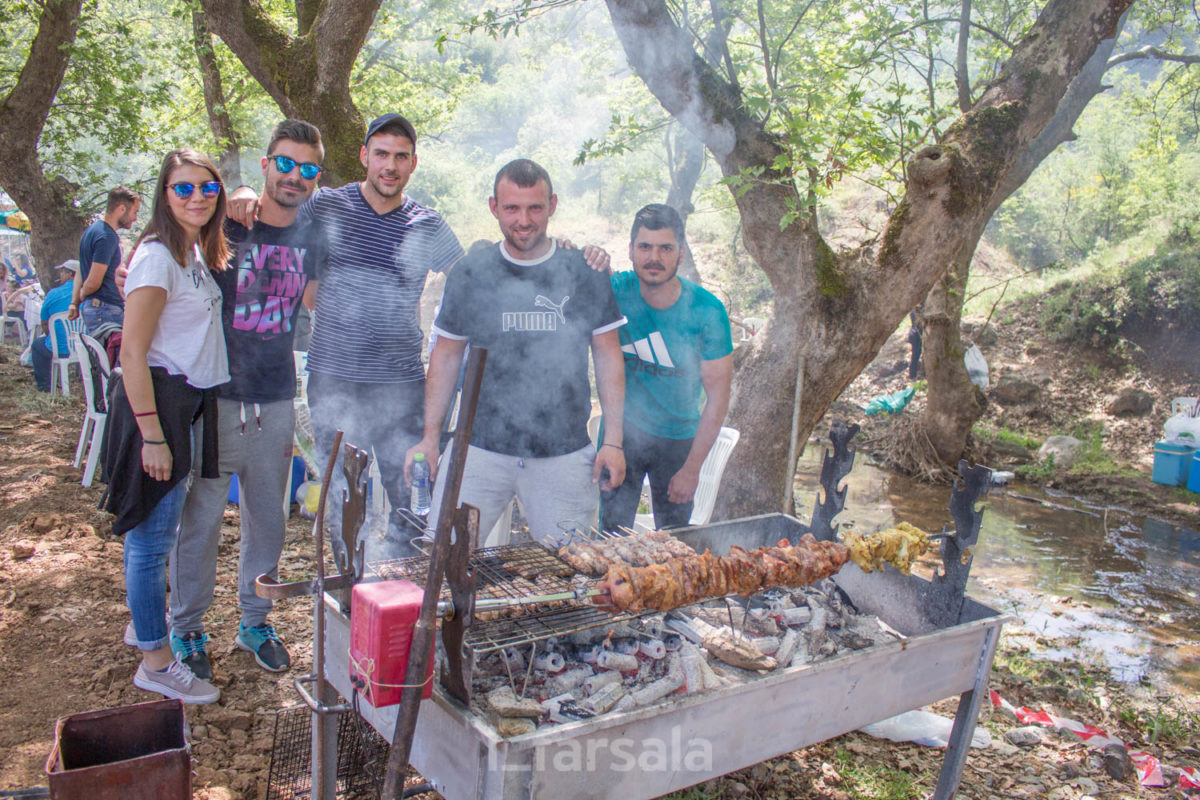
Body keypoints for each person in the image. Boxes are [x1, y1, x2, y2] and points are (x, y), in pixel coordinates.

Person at [230, 113, 463, 556]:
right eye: (381, 155)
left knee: (411, 495)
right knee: (341, 495)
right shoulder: (327, 205)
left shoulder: (428, 224)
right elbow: (276, 214)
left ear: (413, 164)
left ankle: (402, 588)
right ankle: (345, 590)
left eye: (400, 157)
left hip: (403, 386)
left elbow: (472, 280)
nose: (389, 166)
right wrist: (241, 192)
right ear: (364, 157)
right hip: (334, 381)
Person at [165, 121, 324, 680]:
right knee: (202, 519)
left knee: (268, 521)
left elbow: (322, 298)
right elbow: (168, 247)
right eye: (285, 163)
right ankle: (185, 628)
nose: (294, 176)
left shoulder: (314, 234)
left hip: (276, 398)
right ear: (264, 164)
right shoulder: (227, 223)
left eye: (308, 169)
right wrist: (233, 198)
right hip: (215, 400)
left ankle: (255, 621)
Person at [406, 158, 627, 545]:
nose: (523, 220)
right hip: (477, 448)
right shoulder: (471, 273)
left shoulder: (584, 270)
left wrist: (613, 441)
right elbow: (445, 358)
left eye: (534, 208)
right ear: (494, 207)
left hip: (563, 453)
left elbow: (608, 357)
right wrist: (429, 438)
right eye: (511, 208)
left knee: (571, 573)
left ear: (552, 205)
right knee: (443, 557)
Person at [101, 149, 229, 704]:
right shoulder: (156, 257)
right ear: (164, 194)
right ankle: (155, 661)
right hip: (156, 405)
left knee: (158, 536)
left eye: (207, 188)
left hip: (184, 403)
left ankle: (144, 622)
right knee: (151, 544)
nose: (197, 197)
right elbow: (132, 352)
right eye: (183, 189)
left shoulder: (191, 253)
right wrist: (153, 434)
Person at [600, 204, 732, 531]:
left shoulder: (707, 311)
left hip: (679, 442)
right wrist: (582, 253)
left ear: (681, 254)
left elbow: (717, 399)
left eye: (665, 248)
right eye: (645, 247)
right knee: (611, 541)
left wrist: (692, 469)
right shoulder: (615, 292)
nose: (654, 257)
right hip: (623, 435)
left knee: (674, 549)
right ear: (630, 251)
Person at [72, 185, 140, 334]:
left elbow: (80, 269)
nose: (135, 218)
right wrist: (83, 294)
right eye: (134, 212)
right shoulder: (107, 237)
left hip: (97, 309)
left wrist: (75, 302)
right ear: (122, 209)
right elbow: (94, 281)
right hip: (105, 309)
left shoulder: (91, 231)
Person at [30, 260, 79, 392]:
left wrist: (51, 336)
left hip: (60, 347)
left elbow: (44, 322)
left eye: (62, 271)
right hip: (85, 346)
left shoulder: (54, 293)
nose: (60, 274)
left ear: (70, 274)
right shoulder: (87, 292)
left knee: (37, 345)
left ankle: (44, 386)